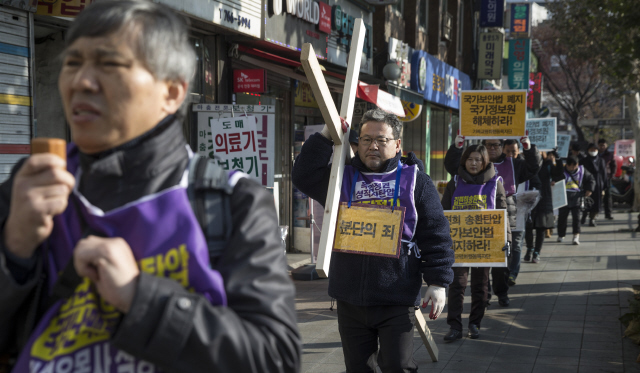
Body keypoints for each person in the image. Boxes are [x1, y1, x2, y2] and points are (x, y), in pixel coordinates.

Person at [0, 2, 301, 372]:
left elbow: (273, 357)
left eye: (109, 64)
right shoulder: (29, 188)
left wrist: (140, 297)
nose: (80, 81)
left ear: (172, 93)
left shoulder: (230, 201)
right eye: (73, 63)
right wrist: (14, 250)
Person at [292, 108, 454, 373]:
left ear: (398, 144)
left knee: (397, 366)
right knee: (358, 368)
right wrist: (324, 137)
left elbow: (436, 234)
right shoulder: (340, 178)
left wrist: (438, 282)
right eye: (366, 139)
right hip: (349, 297)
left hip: (396, 296)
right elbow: (304, 175)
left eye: (382, 140)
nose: (373, 146)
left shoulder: (416, 182)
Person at [445, 136, 541, 307]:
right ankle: (485, 295)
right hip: (474, 221)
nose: (492, 148)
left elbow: (533, 167)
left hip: (505, 216)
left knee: (500, 261)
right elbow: (453, 165)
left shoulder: (514, 163)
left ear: (502, 147)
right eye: (488, 145)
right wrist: (457, 146)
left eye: (496, 145)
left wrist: (528, 148)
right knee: (481, 262)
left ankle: (502, 293)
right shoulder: (472, 167)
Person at [440, 145, 509, 342]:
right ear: (464, 161)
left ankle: (475, 324)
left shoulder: (496, 183)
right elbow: (444, 211)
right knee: (457, 285)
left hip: (485, 244)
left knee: (480, 286)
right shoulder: (454, 181)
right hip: (459, 244)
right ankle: (454, 326)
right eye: (470, 159)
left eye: (478, 159)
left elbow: (503, 213)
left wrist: (507, 240)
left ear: (484, 161)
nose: (473, 163)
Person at [523, 152, 564, 263]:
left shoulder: (548, 165)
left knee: (541, 227)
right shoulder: (525, 164)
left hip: (544, 199)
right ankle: (530, 248)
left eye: (541, 151)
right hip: (528, 198)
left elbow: (559, 173)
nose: (539, 153)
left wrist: (558, 158)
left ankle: (537, 252)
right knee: (528, 227)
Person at [557, 156, 595, 245]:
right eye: (570, 166)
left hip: (577, 197)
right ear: (567, 165)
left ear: (577, 164)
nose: (572, 168)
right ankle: (561, 235)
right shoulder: (561, 170)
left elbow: (591, 179)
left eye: (575, 166)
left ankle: (576, 236)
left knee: (576, 218)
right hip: (563, 197)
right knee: (562, 218)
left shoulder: (582, 171)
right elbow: (555, 178)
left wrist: (589, 189)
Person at [580, 143, 607, 226]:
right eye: (591, 150)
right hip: (586, 184)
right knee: (586, 202)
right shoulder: (583, 160)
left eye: (594, 150)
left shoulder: (601, 160)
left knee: (596, 203)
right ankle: (584, 216)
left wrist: (604, 187)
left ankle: (592, 219)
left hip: (598, 184)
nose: (593, 151)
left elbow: (604, 174)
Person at [597, 139, 616, 220]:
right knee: (596, 196)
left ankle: (608, 214)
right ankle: (595, 214)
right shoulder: (595, 154)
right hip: (596, 178)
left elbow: (613, 165)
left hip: (607, 178)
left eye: (603, 145)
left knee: (608, 196)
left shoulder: (610, 155)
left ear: (606, 146)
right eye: (600, 145)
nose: (602, 147)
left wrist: (612, 175)